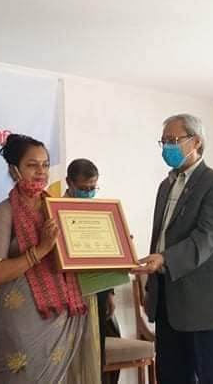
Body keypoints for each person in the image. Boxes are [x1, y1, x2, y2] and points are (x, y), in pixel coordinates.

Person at [133, 113, 213, 384]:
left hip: (205, 307)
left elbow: (207, 237)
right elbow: (161, 238)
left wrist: (164, 259)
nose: (167, 147)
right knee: (172, 376)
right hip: (168, 302)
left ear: (196, 142)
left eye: (173, 140)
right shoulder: (165, 186)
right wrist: (151, 284)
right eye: (164, 141)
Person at [0, 134, 99, 383]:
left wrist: (112, 249)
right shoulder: (3, 212)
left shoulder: (60, 208)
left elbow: (79, 255)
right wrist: (41, 249)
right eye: (32, 165)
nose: (41, 172)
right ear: (14, 170)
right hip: (23, 319)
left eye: (45, 165)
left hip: (63, 316)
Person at [65, 158, 121, 384]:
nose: (88, 193)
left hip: (97, 292)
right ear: (69, 183)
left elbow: (105, 254)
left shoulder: (101, 212)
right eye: (83, 188)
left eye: (93, 188)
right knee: (70, 357)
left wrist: (110, 293)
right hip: (67, 295)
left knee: (96, 355)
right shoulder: (54, 209)